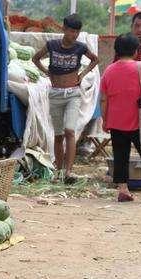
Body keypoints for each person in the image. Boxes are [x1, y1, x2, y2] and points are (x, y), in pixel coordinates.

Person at [32, 14, 99, 184]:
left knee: (70, 130)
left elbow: (95, 60)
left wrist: (82, 74)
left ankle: (69, 171)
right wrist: (46, 72)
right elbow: (35, 58)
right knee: (58, 135)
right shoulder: (52, 45)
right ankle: (59, 171)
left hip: (73, 94)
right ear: (64, 29)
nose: (74, 35)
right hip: (55, 93)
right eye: (71, 31)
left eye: (77, 31)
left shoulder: (80, 47)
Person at [101, 33, 141, 204]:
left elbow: (104, 98)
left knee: (120, 156)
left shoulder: (109, 70)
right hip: (140, 122)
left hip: (116, 122)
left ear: (116, 50)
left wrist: (105, 120)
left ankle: (123, 190)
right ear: (137, 50)